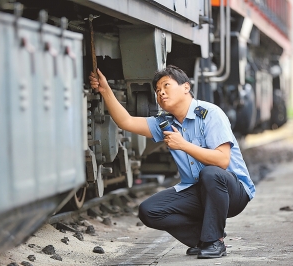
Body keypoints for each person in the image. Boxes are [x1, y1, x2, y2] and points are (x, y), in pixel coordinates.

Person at [89, 65, 255, 259]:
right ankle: (203, 239)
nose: (161, 93)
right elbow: (126, 122)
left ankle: (214, 241)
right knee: (149, 210)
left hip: (233, 192)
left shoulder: (210, 114)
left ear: (186, 87)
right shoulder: (165, 123)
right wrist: (105, 89)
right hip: (200, 191)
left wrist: (183, 145)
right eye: (158, 91)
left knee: (210, 173)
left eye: (166, 85)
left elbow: (222, 160)